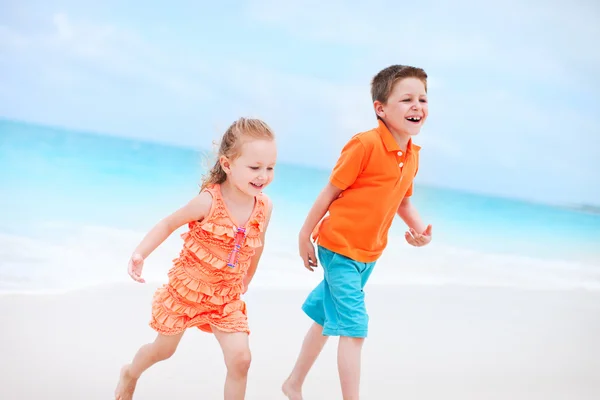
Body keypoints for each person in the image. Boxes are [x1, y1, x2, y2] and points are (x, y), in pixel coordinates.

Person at [282, 65, 433, 400]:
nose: (417, 106)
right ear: (380, 108)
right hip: (339, 248)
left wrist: (420, 231)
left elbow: (403, 202)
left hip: (369, 252)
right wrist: (304, 235)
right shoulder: (364, 145)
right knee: (354, 328)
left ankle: (293, 384)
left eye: (422, 99)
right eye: (406, 99)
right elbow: (329, 192)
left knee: (325, 317)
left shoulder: (411, 157)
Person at [114, 117, 277, 400]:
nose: (263, 176)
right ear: (227, 165)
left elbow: (257, 244)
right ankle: (130, 372)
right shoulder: (209, 202)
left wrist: (247, 277)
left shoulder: (264, 206)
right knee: (162, 350)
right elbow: (168, 223)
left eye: (270, 168)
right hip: (188, 291)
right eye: (254, 167)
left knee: (241, 359)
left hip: (226, 297)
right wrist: (140, 253)